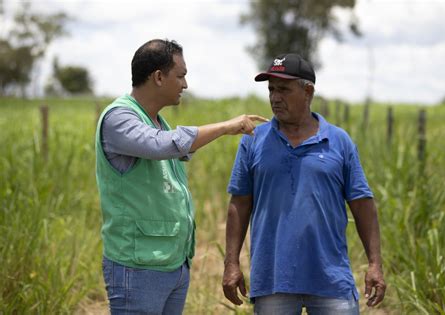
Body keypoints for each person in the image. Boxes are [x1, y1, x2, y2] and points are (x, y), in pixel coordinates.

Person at [95, 38, 267, 315]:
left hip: (170, 262)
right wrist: (226, 126)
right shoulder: (119, 118)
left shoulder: (155, 120)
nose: (185, 85)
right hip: (138, 266)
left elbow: (170, 146)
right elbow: (161, 145)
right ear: (159, 77)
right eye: (181, 76)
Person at [222, 53, 386, 314]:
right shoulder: (253, 140)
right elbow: (239, 204)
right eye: (271, 90)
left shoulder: (339, 142)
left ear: (308, 91)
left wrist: (375, 263)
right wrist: (231, 264)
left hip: (331, 279)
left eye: (284, 89)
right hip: (273, 280)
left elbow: (362, 204)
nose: (275, 97)